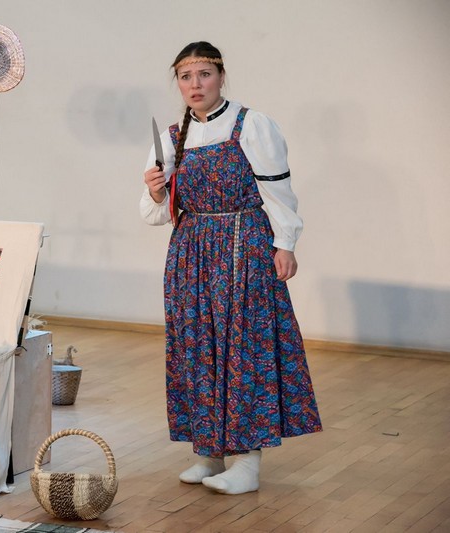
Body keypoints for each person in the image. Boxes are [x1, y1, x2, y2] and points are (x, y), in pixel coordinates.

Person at [140, 41, 322, 495]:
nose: (195, 84)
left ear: (221, 76)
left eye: (204, 74)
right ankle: (209, 452)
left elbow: (278, 192)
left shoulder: (251, 124)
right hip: (191, 252)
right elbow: (155, 213)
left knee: (244, 348)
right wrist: (157, 191)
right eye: (186, 76)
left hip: (244, 245)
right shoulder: (172, 137)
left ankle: (247, 462)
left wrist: (285, 244)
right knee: (197, 348)